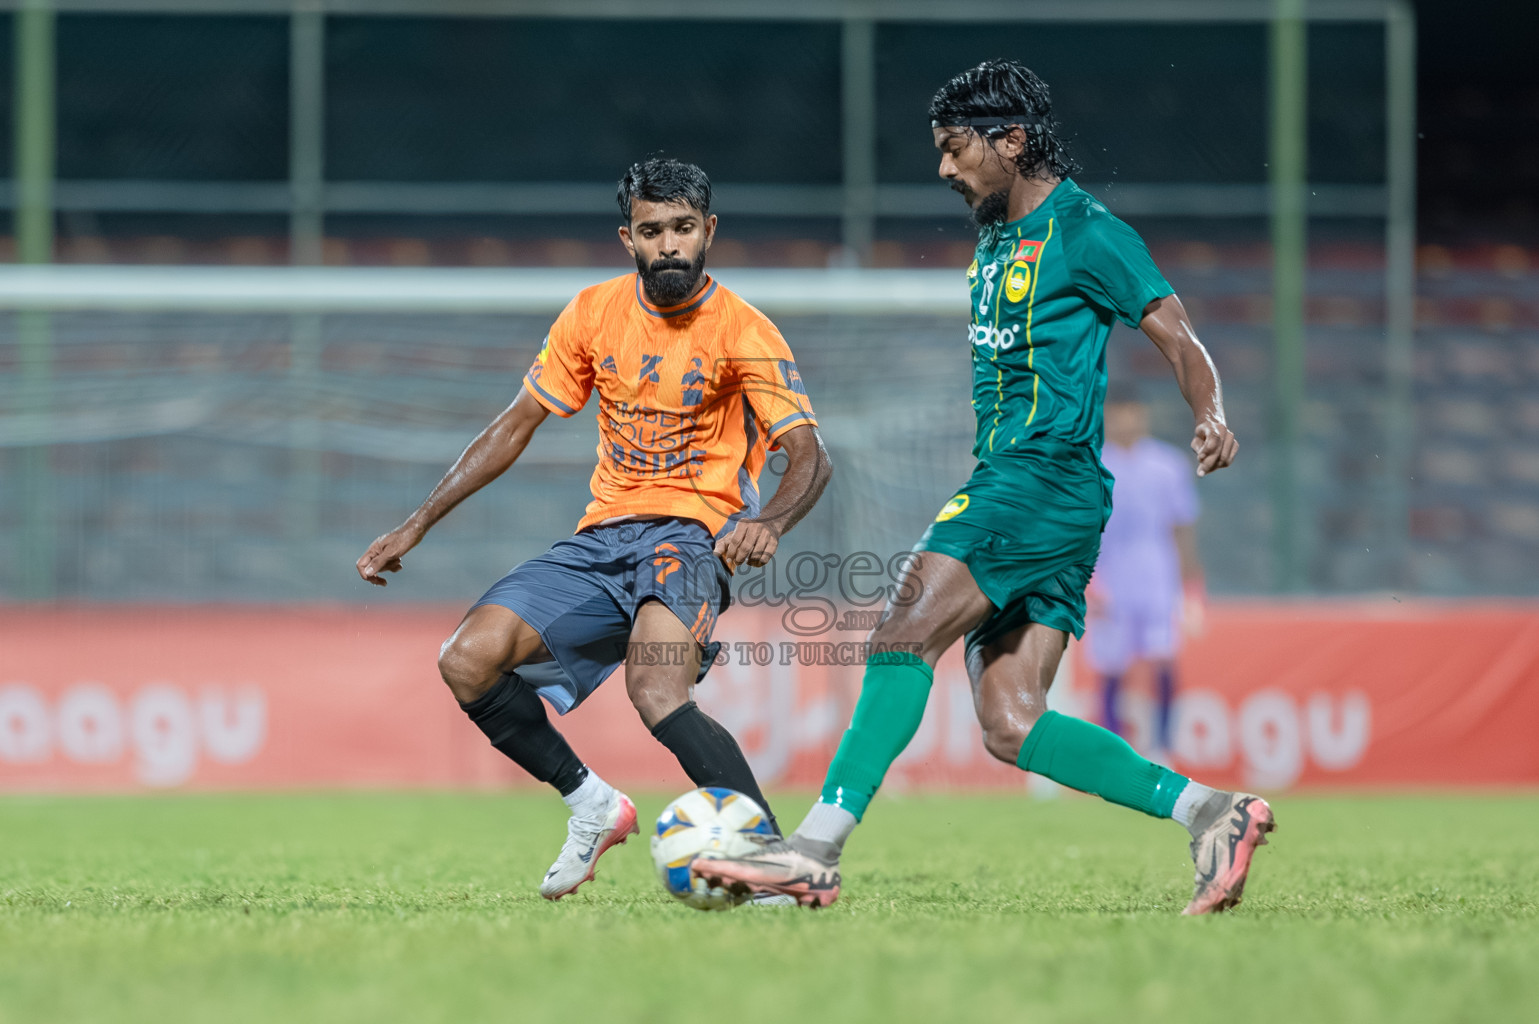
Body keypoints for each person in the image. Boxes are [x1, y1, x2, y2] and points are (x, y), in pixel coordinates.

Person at [694, 60, 1273, 915]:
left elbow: (1178, 336)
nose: (943, 168)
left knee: (899, 631)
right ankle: (1213, 813)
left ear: (1011, 141)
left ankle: (812, 851)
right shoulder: (997, 232)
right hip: (1047, 495)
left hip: (1035, 480)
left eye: (955, 148)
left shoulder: (1087, 232)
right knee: (1010, 723)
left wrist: (1209, 413)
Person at [356, 158, 832, 900]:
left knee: (655, 689)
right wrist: (416, 524)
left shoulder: (745, 329)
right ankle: (593, 807)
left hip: (689, 539)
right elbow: (514, 427)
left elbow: (809, 455)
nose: (668, 245)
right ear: (627, 238)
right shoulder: (590, 313)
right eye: (651, 231)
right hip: (602, 537)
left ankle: (775, 868)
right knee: (466, 659)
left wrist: (768, 520)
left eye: (682, 229)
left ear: (707, 231)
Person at [1087, 383, 1206, 759]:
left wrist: (1192, 589)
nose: (1126, 420)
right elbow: (1085, 532)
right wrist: (1090, 583)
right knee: (1111, 664)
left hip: (1157, 576)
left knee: (1163, 659)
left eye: (1133, 412)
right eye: (1119, 413)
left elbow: (1182, 528)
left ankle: (1164, 748)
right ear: (1108, 417)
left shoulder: (1167, 465)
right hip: (1111, 577)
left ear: (1143, 415)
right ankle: (1112, 750)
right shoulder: (1096, 466)